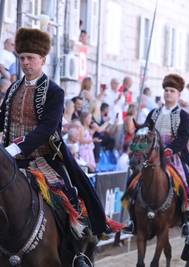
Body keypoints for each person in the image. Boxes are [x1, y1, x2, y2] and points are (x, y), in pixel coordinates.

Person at [0, 28, 107, 266]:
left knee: (69, 198)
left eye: (31, 58)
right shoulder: (13, 90)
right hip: (9, 161)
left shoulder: (55, 92)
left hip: (43, 159)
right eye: (22, 57)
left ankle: (78, 252)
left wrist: (16, 149)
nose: (26, 62)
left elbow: (48, 128)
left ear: (43, 60)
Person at [125, 74, 189, 236]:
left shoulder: (184, 116)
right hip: (152, 154)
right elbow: (145, 131)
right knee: (132, 180)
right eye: (166, 90)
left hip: (174, 155)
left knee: (187, 179)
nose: (168, 93)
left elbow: (182, 138)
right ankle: (132, 219)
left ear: (178, 94)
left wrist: (168, 151)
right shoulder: (153, 113)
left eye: (172, 91)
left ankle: (186, 218)